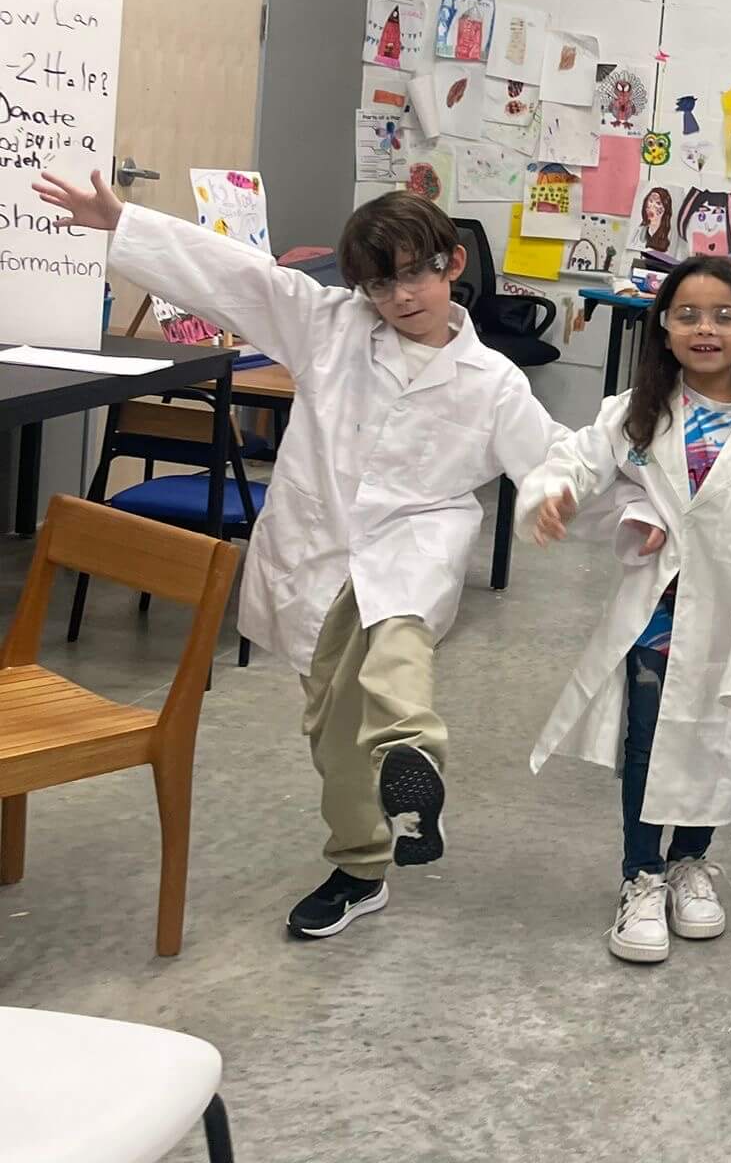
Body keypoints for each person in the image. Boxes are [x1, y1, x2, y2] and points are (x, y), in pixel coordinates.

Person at [32, 171, 559, 939]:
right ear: (363, 291)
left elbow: (549, 463)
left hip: (413, 547)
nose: (402, 297)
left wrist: (590, 504)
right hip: (324, 547)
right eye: (382, 285)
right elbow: (237, 279)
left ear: (452, 264)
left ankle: (414, 766)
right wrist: (125, 224)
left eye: (416, 273)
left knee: (397, 652)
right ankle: (363, 859)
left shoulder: (496, 384)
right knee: (331, 729)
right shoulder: (331, 325)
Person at [520, 256, 731, 965]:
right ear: (664, 326)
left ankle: (691, 862)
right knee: (650, 746)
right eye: (687, 314)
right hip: (656, 616)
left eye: (723, 315)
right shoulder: (634, 412)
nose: (704, 328)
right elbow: (575, 462)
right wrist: (550, 494)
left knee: (715, 738)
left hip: (729, 620)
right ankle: (641, 877)